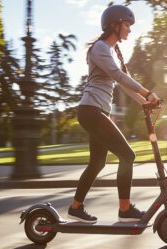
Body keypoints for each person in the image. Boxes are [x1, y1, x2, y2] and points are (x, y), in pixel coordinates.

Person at [68, 5, 160, 224]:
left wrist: (144, 102)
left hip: (95, 112)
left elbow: (124, 85)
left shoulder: (108, 51)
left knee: (97, 163)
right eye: (127, 25)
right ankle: (125, 209)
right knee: (128, 156)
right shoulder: (100, 48)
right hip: (91, 111)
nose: (129, 29)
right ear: (114, 25)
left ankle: (75, 207)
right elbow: (118, 76)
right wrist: (148, 92)